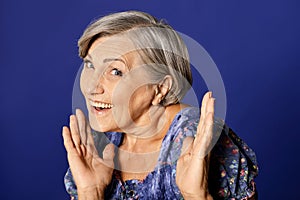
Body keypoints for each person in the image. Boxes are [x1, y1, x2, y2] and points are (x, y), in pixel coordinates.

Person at [62, 11, 258, 200]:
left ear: (161, 88)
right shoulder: (99, 143)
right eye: (90, 65)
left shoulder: (197, 141)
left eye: (115, 71)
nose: (91, 87)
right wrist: (90, 192)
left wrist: (196, 195)